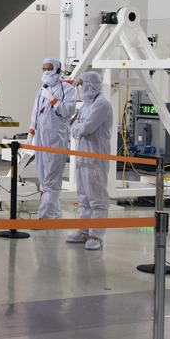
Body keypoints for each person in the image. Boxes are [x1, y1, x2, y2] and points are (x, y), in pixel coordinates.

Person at [67, 71, 113, 250]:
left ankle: (96, 235)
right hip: (82, 156)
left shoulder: (102, 104)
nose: (80, 88)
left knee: (97, 198)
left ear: (90, 85)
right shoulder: (85, 105)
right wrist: (78, 127)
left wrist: (79, 127)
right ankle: (84, 231)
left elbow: (87, 128)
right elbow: (75, 126)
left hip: (95, 157)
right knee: (84, 197)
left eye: (81, 84)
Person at [29, 57, 77, 219]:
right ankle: (54, 213)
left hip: (55, 138)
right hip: (41, 138)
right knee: (43, 176)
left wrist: (53, 99)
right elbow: (36, 110)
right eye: (44, 68)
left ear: (57, 69)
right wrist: (31, 131)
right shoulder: (43, 88)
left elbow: (67, 111)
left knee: (52, 177)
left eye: (49, 68)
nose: (46, 71)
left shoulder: (67, 89)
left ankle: (45, 216)